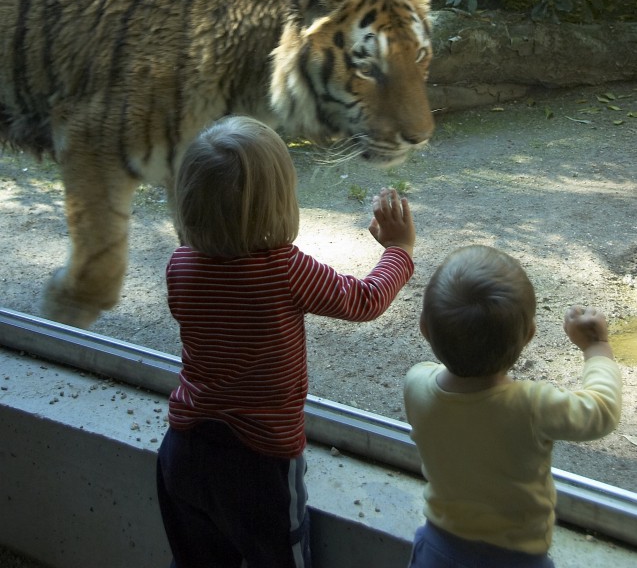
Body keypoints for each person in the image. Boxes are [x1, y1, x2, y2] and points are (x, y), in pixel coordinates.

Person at [156, 115, 416, 568]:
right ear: (278, 203)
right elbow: (364, 300)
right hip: (259, 465)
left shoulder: (180, 266)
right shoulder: (282, 269)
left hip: (183, 451)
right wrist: (400, 251)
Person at [404, 245, 622, 568]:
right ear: (529, 336)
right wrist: (597, 348)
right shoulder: (531, 406)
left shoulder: (417, 384)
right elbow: (602, 410)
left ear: (424, 328)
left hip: (436, 551)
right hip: (517, 560)